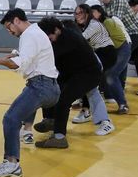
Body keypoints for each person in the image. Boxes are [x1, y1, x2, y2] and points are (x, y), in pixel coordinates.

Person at [0, 9, 60, 177]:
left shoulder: (29, 35)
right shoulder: (36, 32)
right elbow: (27, 56)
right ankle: (26, 132)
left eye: (9, 27)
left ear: (17, 20)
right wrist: (12, 56)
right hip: (50, 87)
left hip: (41, 86)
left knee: (10, 119)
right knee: (25, 98)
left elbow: (22, 63)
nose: (9, 31)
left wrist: (1, 62)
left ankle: (11, 164)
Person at [31, 17, 114, 148]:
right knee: (52, 91)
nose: (47, 39)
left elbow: (49, 55)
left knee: (64, 100)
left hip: (88, 74)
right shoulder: (59, 38)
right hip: (72, 73)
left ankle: (59, 137)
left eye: (49, 36)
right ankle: (51, 120)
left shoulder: (69, 38)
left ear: (57, 30)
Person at [98, 0, 138, 95]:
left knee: (120, 57)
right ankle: (115, 87)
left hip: (134, 32)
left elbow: (116, 19)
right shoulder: (102, 6)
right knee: (118, 58)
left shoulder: (119, 0)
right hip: (120, 34)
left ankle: (118, 87)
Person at [72, 4, 117, 124]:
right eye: (76, 13)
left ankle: (87, 111)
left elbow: (81, 39)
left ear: (87, 13)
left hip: (107, 52)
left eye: (80, 13)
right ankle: (87, 106)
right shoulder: (84, 26)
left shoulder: (93, 24)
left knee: (89, 79)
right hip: (99, 52)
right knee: (89, 80)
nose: (78, 16)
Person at [90, 4, 131, 114]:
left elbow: (114, 39)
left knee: (111, 75)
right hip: (113, 50)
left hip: (121, 49)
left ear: (100, 12)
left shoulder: (107, 22)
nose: (92, 15)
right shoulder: (97, 24)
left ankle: (123, 104)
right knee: (104, 73)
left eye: (94, 12)